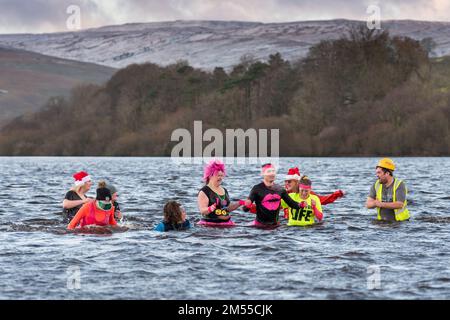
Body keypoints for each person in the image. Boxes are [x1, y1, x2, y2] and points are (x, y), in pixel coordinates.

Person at [197, 159, 242, 226]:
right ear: (210, 175)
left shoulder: (224, 190)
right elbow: (202, 210)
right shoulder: (204, 191)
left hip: (227, 224)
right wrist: (210, 208)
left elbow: (228, 208)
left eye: (221, 175)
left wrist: (240, 203)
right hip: (210, 225)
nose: (220, 178)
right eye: (218, 175)